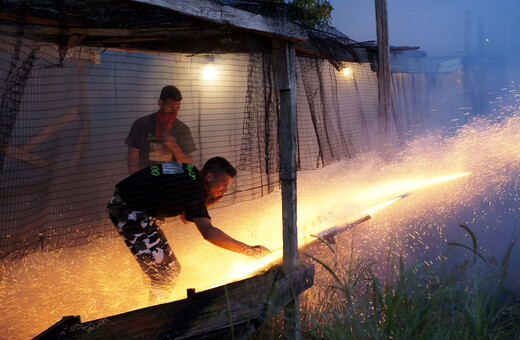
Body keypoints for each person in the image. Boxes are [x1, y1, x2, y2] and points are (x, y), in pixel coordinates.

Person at [107, 157, 270, 301]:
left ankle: (155, 306)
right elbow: (208, 232)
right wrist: (248, 250)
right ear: (209, 176)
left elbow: (186, 218)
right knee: (166, 274)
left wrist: (209, 202)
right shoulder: (195, 188)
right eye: (224, 183)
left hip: (126, 207)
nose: (225, 190)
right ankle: (155, 317)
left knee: (167, 270)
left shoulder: (190, 172)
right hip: (130, 213)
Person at [125, 85, 196, 175]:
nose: (175, 112)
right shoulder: (141, 124)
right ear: (160, 103)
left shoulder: (182, 129)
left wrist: (173, 146)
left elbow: (189, 164)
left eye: (178, 108)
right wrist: (138, 183)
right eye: (171, 107)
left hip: (172, 180)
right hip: (147, 178)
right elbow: (132, 160)